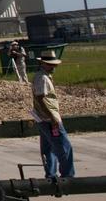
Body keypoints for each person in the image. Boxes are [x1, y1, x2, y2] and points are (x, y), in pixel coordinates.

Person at [31, 50, 74, 180]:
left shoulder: (42, 76)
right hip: (49, 119)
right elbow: (40, 98)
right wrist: (52, 117)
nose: (53, 67)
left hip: (44, 118)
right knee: (64, 147)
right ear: (43, 63)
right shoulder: (43, 78)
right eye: (50, 64)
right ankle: (68, 176)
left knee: (48, 149)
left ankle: (51, 175)